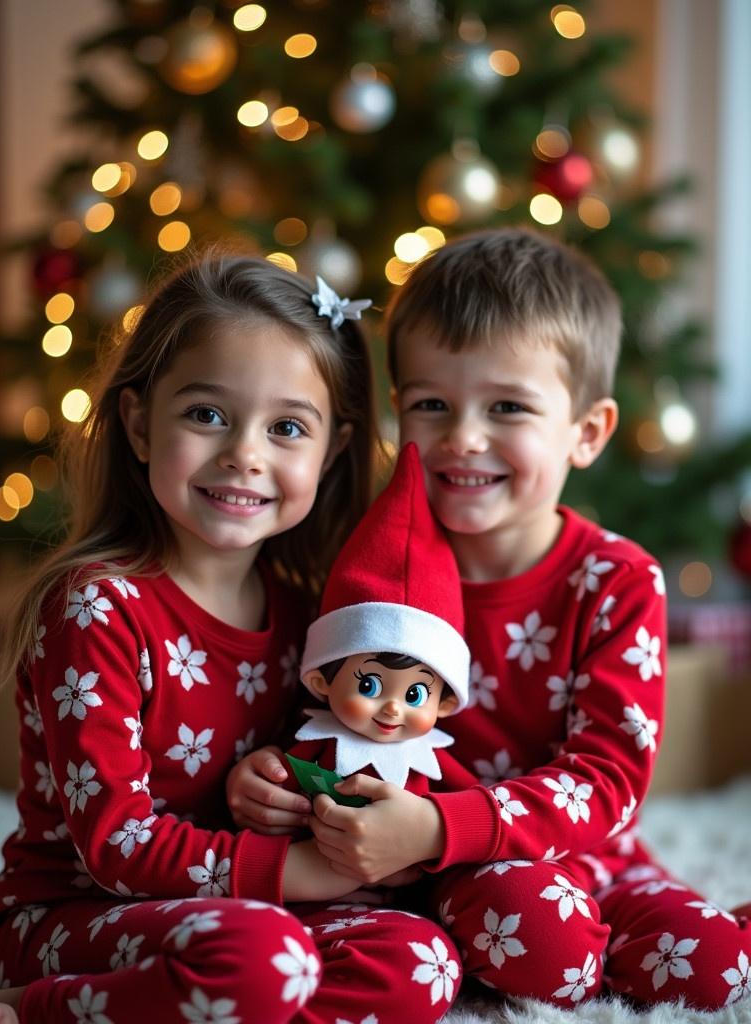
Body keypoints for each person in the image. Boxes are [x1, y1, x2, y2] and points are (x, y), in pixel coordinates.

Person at [229, 229, 751, 1011]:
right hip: (426, 876)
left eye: (507, 406)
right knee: (541, 941)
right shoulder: (363, 569)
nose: (463, 437)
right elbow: (307, 711)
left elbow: (608, 778)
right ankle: (549, 946)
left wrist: (442, 825)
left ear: (588, 431)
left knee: (716, 971)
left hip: (592, 854)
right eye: (431, 404)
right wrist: (266, 781)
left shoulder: (615, 579)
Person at [0, 255, 463, 1024]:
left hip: (245, 908)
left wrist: (280, 785)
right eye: (206, 414)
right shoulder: (96, 608)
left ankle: (199, 1008)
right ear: (140, 425)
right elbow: (117, 846)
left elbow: (306, 757)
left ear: (332, 450)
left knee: (423, 961)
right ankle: (38, 1007)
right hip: (72, 917)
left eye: (286, 428)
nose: (245, 453)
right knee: (261, 959)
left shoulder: (311, 615)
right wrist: (311, 873)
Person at [229, 441, 477, 811]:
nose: (392, 709)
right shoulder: (317, 744)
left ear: (445, 703)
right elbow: (277, 784)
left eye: (415, 696)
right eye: (369, 684)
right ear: (321, 681)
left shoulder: (430, 760)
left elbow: (475, 802)